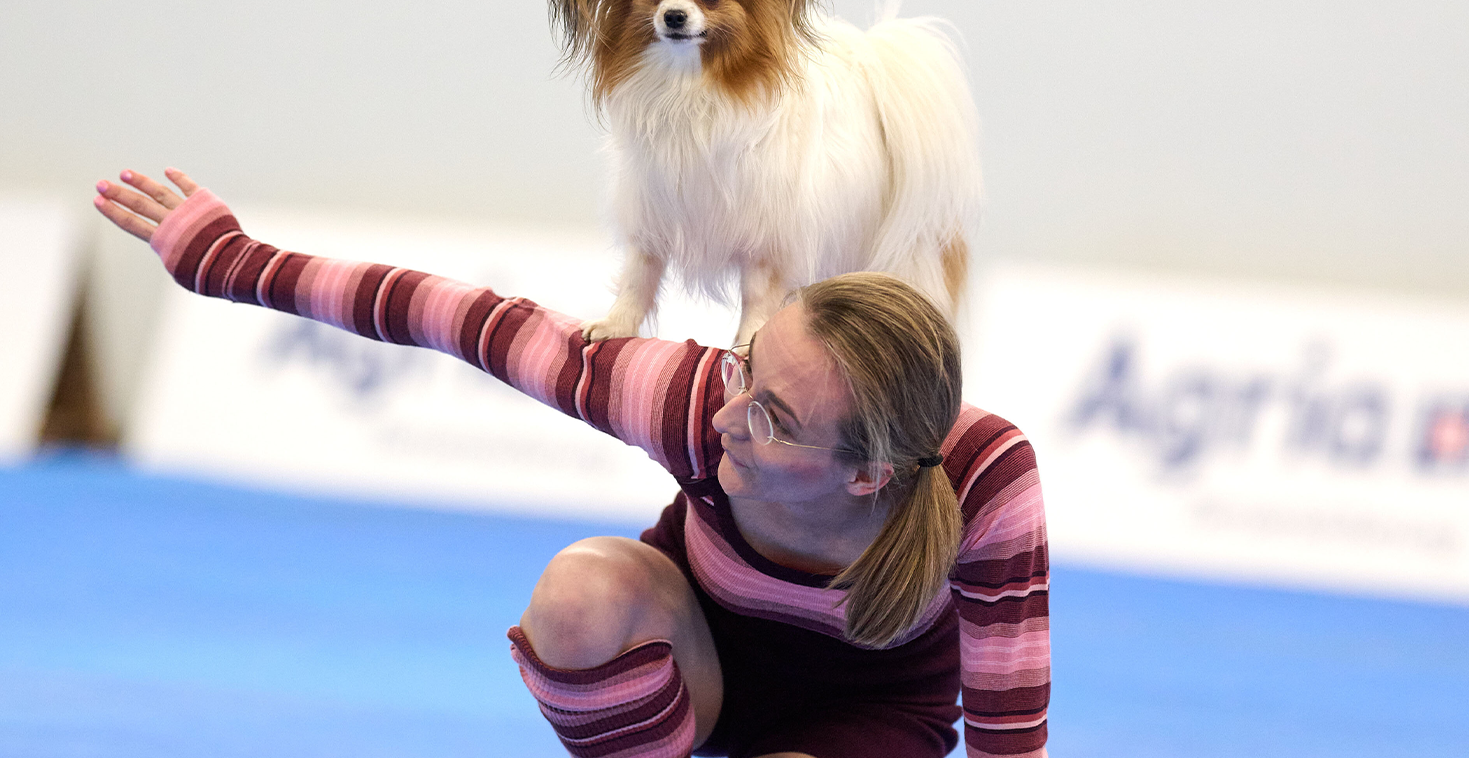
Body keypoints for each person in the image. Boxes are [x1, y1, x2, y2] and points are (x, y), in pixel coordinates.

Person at [93, 168, 1050, 758]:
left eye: (774, 418)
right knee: (579, 592)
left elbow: (1010, 727)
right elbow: (464, 318)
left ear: (868, 474)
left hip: (869, 720)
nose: (727, 417)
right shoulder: (688, 397)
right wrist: (230, 259)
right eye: (745, 367)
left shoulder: (985, 480)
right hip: (693, 667)